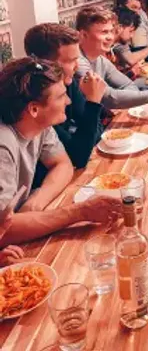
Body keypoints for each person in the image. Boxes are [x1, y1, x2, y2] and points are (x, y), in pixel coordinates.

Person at [0, 57, 121, 246]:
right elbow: (3, 230)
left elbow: (63, 164)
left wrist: (35, 203)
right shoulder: (3, 145)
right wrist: (79, 212)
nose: (69, 101)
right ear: (34, 109)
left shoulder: (39, 124)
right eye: (61, 96)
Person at [24, 23, 106, 173]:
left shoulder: (68, 82)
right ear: (46, 64)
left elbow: (97, 133)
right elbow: (78, 157)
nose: (77, 67)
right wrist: (93, 102)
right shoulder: (36, 99)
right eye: (70, 61)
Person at [75, 6, 148, 109]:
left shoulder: (100, 60)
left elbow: (128, 85)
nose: (110, 37)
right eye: (104, 32)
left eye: (111, 31)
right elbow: (111, 98)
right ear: (84, 35)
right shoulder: (77, 62)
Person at [112, 7, 148, 72]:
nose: (132, 36)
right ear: (119, 28)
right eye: (130, 31)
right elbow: (131, 59)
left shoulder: (122, 42)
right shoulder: (114, 43)